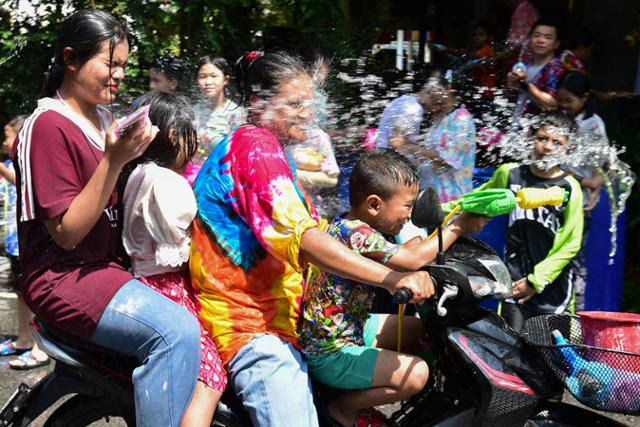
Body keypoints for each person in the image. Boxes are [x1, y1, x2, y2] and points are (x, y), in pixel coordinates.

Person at [189, 51, 434, 426]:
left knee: (423, 332)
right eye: (295, 103)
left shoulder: (274, 151)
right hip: (253, 325)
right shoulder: (252, 147)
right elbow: (306, 240)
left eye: (310, 102)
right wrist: (394, 278)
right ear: (259, 103)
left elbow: (320, 229)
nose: (308, 112)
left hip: (295, 311)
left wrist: (405, 252)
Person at [12, 10, 200, 426]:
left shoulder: (105, 120)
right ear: (71, 60)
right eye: (110, 64)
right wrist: (114, 159)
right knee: (176, 334)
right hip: (64, 277)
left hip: (109, 271)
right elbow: (66, 234)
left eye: (124, 66)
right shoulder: (45, 127)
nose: (118, 75)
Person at [299, 149, 490, 427]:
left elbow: (401, 255)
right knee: (417, 374)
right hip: (331, 349)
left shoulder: (348, 224)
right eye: (407, 207)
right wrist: (458, 226)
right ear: (374, 205)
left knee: (418, 330)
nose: (410, 215)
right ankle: (343, 408)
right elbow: (411, 260)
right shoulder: (356, 233)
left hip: (345, 327)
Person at [121, 92, 226, 427]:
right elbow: (185, 239)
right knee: (211, 376)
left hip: (143, 283)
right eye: (188, 137)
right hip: (167, 290)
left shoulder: (136, 173)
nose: (191, 147)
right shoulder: (166, 182)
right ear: (172, 137)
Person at [468, 114, 583, 332]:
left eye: (557, 142)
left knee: (551, 357)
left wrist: (536, 280)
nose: (547, 147)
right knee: (512, 351)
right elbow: (476, 202)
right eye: (542, 138)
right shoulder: (511, 174)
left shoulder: (570, 187)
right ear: (531, 140)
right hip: (515, 282)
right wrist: (439, 209)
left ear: (569, 149)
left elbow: (571, 242)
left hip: (552, 286)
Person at [0, 115, 50, 370]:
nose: (4, 141)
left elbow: (21, 183)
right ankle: (22, 340)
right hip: (14, 241)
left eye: (7, 136)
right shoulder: (12, 162)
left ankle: (39, 349)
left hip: (29, 241)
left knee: (35, 294)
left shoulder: (30, 161)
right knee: (22, 293)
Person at [381, 72, 476, 203]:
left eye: (433, 90)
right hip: (432, 200)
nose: (428, 95)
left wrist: (410, 147)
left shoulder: (461, 119)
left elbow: (446, 160)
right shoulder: (439, 123)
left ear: (448, 88)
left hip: (452, 201)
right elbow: (429, 162)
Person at [509, 18, 566, 124]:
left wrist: (525, 84)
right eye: (536, 35)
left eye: (547, 37)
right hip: (517, 126)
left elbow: (551, 104)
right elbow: (511, 96)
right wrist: (511, 84)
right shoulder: (526, 65)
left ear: (556, 44)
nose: (540, 40)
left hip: (540, 132)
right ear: (530, 39)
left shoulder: (556, 68)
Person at [193, 55, 245, 165]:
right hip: (194, 174)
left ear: (225, 80)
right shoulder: (194, 111)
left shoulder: (235, 114)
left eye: (213, 76)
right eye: (203, 77)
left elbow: (239, 153)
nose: (208, 82)